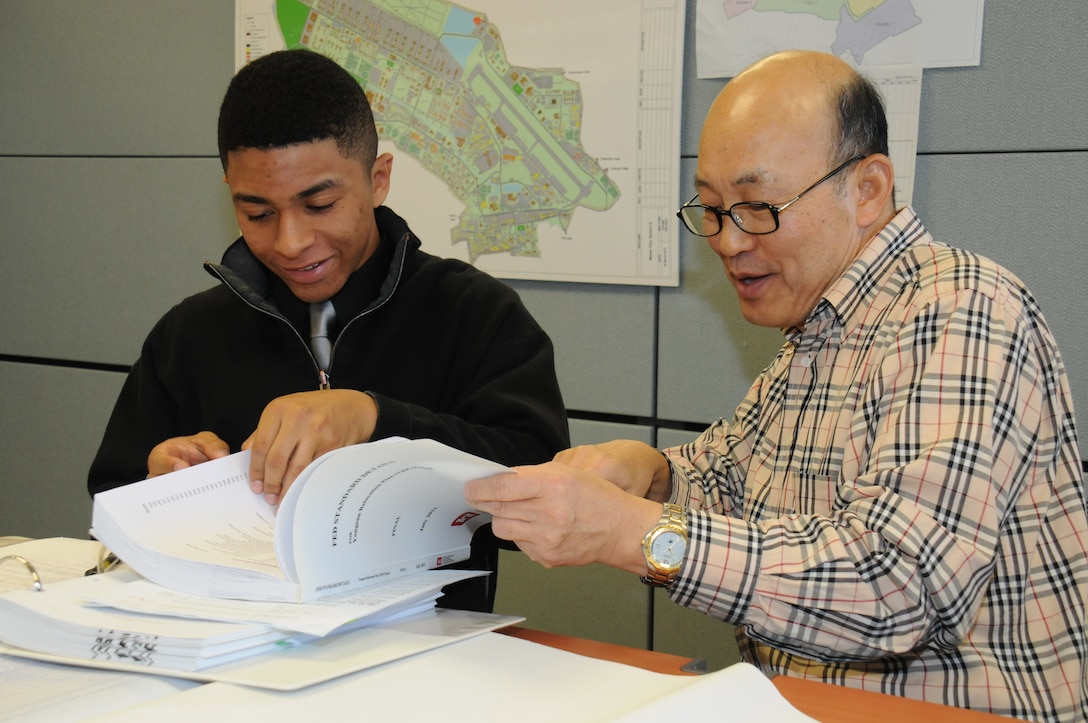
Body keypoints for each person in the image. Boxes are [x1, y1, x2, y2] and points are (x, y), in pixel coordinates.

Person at [465, 50, 1087, 721]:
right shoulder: (816, 335)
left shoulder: (961, 308)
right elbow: (730, 479)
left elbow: (902, 584)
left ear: (869, 189)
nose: (729, 241)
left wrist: (636, 533)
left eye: (758, 206)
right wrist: (648, 473)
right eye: (710, 208)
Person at [88, 48, 569, 613]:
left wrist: (376, 418)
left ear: (378, 180)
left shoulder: (475, 313)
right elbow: (111, 502)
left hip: (427, 662)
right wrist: (163, 485)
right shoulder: (190, 333)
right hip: (232, 653)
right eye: (259, 213)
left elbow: (544, 481)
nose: (290, 242)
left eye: (319, 204)